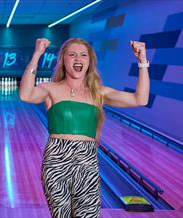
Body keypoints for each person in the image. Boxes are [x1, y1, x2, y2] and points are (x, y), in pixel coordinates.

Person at [19, 38, 149, 218]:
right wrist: (36, 55)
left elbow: (140, 99)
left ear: (89, 62)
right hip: (56, 161)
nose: (78, 59)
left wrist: (142, 62)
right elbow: (25, 95)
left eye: (83, 55)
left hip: (86, 161)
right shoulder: (50, 89)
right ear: (63, 60)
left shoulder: (99, 92)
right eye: (72, 55)